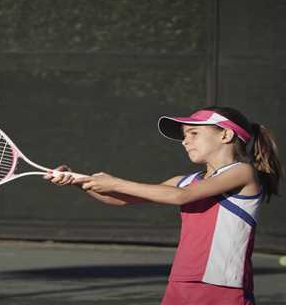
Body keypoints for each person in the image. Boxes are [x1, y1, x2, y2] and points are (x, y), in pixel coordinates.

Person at [44, 106, 283, 305]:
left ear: (225, 135)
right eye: (184, 136)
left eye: (193, 133)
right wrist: (78, 182)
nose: (185, 141)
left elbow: (181, 197)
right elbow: (119, 198)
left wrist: (115, 181)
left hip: (223, 287)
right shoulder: (185, 180)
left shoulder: (242, 172)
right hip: (180, 283)